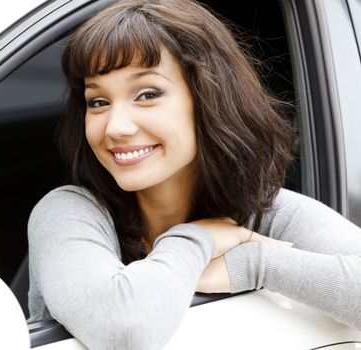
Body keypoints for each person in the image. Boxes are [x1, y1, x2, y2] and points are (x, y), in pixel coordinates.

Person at [27, 0, 361, 349]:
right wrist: (197, 238)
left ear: (208, 99)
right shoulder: (68, 212)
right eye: (98, 102)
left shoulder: (263, 213)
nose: (116, 127)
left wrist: (256, 263)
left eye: (147, 94)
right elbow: (124, 329)